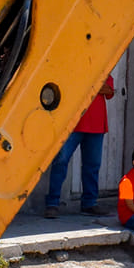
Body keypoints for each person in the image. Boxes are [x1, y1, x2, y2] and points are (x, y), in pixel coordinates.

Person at [46, 76, 114, 217]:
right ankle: (52, 203)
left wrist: (89, 84)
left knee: (92, 166)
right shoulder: (78, 67)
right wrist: (95, 86)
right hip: (71, 123)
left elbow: (109, 91)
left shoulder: (104, 67)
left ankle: (89, 204)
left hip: (96, 124)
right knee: (61, 161)